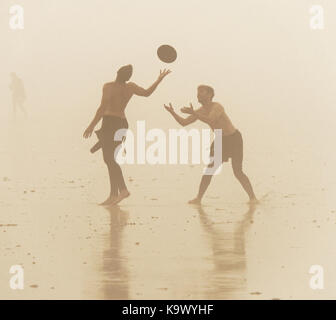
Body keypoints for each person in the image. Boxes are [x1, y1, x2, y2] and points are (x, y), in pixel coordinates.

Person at [83, 65, 171, 205]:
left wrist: (91, 125)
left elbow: (102, 108)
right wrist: (158, 80)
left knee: (109, 159)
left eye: (129, 74)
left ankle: (122, 190)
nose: (128, 75)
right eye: (127, 73)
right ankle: (113, 195)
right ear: (121, 73)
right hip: (121, 124)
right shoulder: (130, 87)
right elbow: (147, 93)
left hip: (111, 123)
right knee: (110, 159)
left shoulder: (109, 86)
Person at [164, 85, 258, 204]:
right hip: (220, 139)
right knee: (209, 169)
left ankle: (253, 198)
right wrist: (172, 112)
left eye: (201, 92)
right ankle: (198, 198)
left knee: (237, 172)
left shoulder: (217, 106)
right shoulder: (200, 111)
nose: (198, 94)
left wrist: (194, 113)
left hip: (234, 138)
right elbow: (184, 122)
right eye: (197, 92)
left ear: (210, 94)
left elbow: (211, 120)